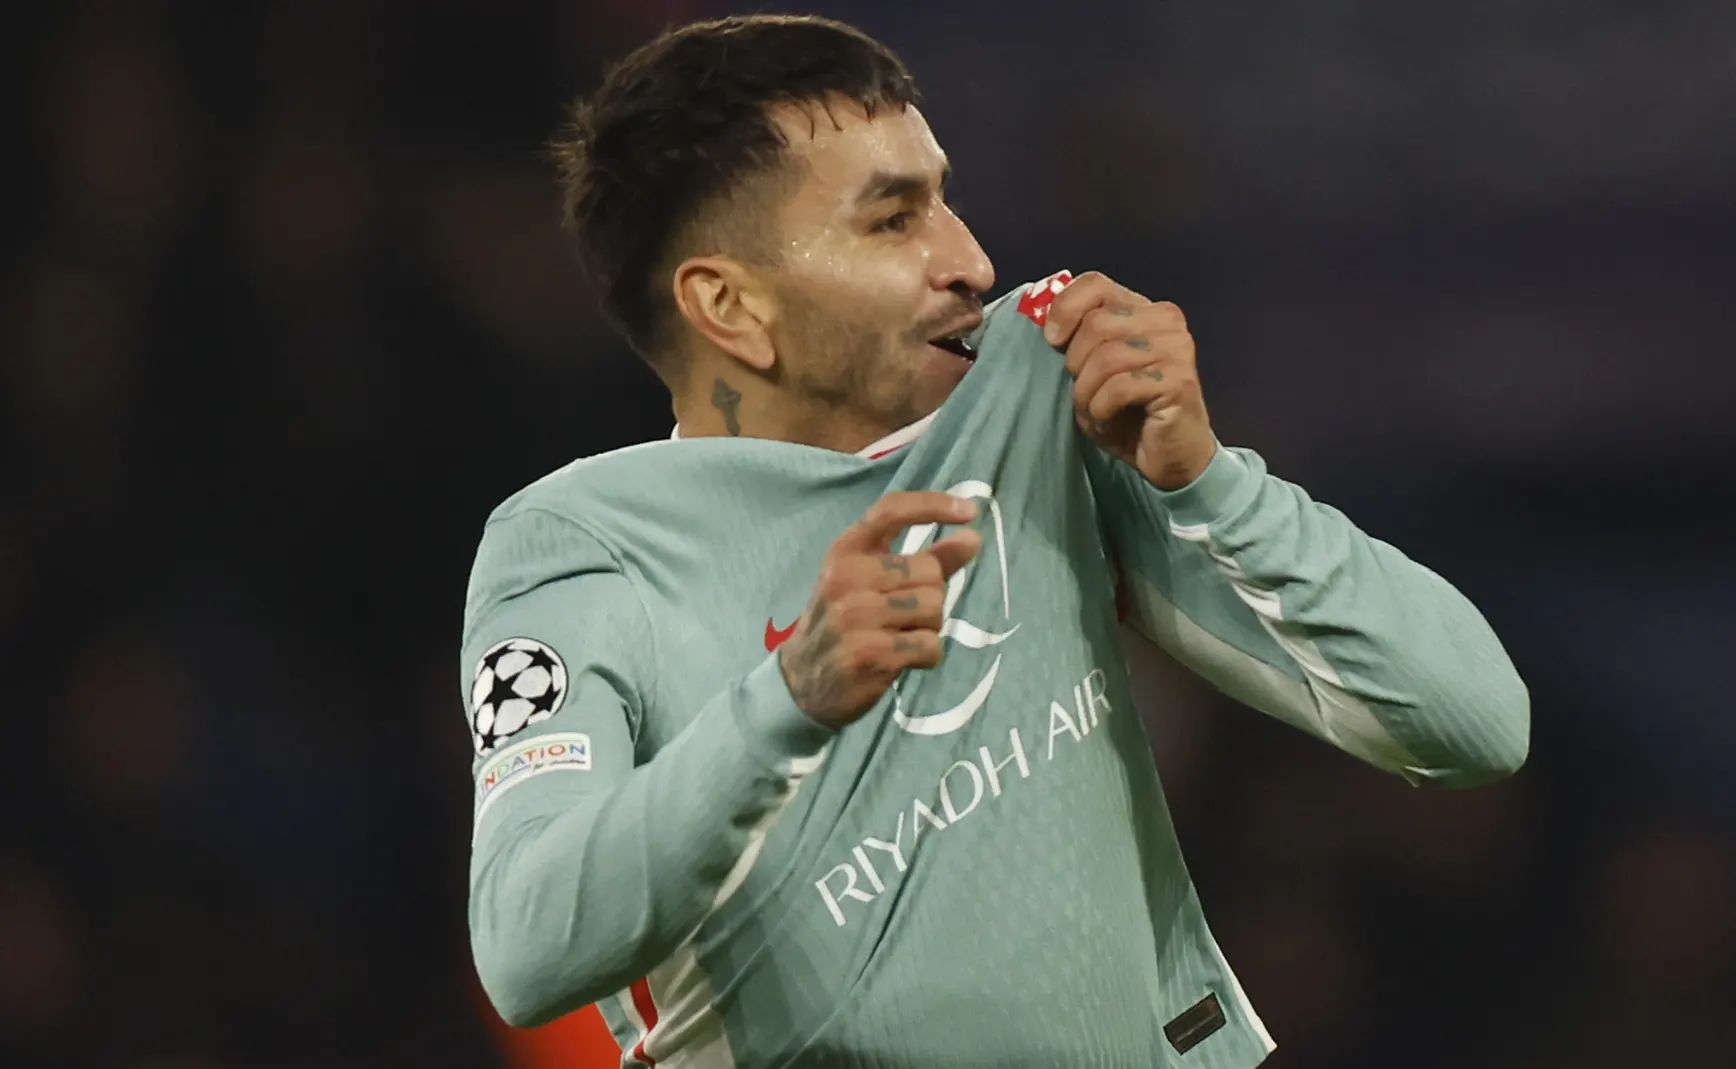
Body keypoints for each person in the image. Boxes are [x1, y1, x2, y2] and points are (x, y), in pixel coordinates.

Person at [459, 13, 1530, 1068]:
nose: (969, 260)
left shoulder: (1043, 396)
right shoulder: (578, 548)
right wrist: (788, 698)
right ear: (731, 307)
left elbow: (1472, 722)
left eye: (945, 199)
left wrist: (1207, 480)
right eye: (893, 221)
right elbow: (531, 943)